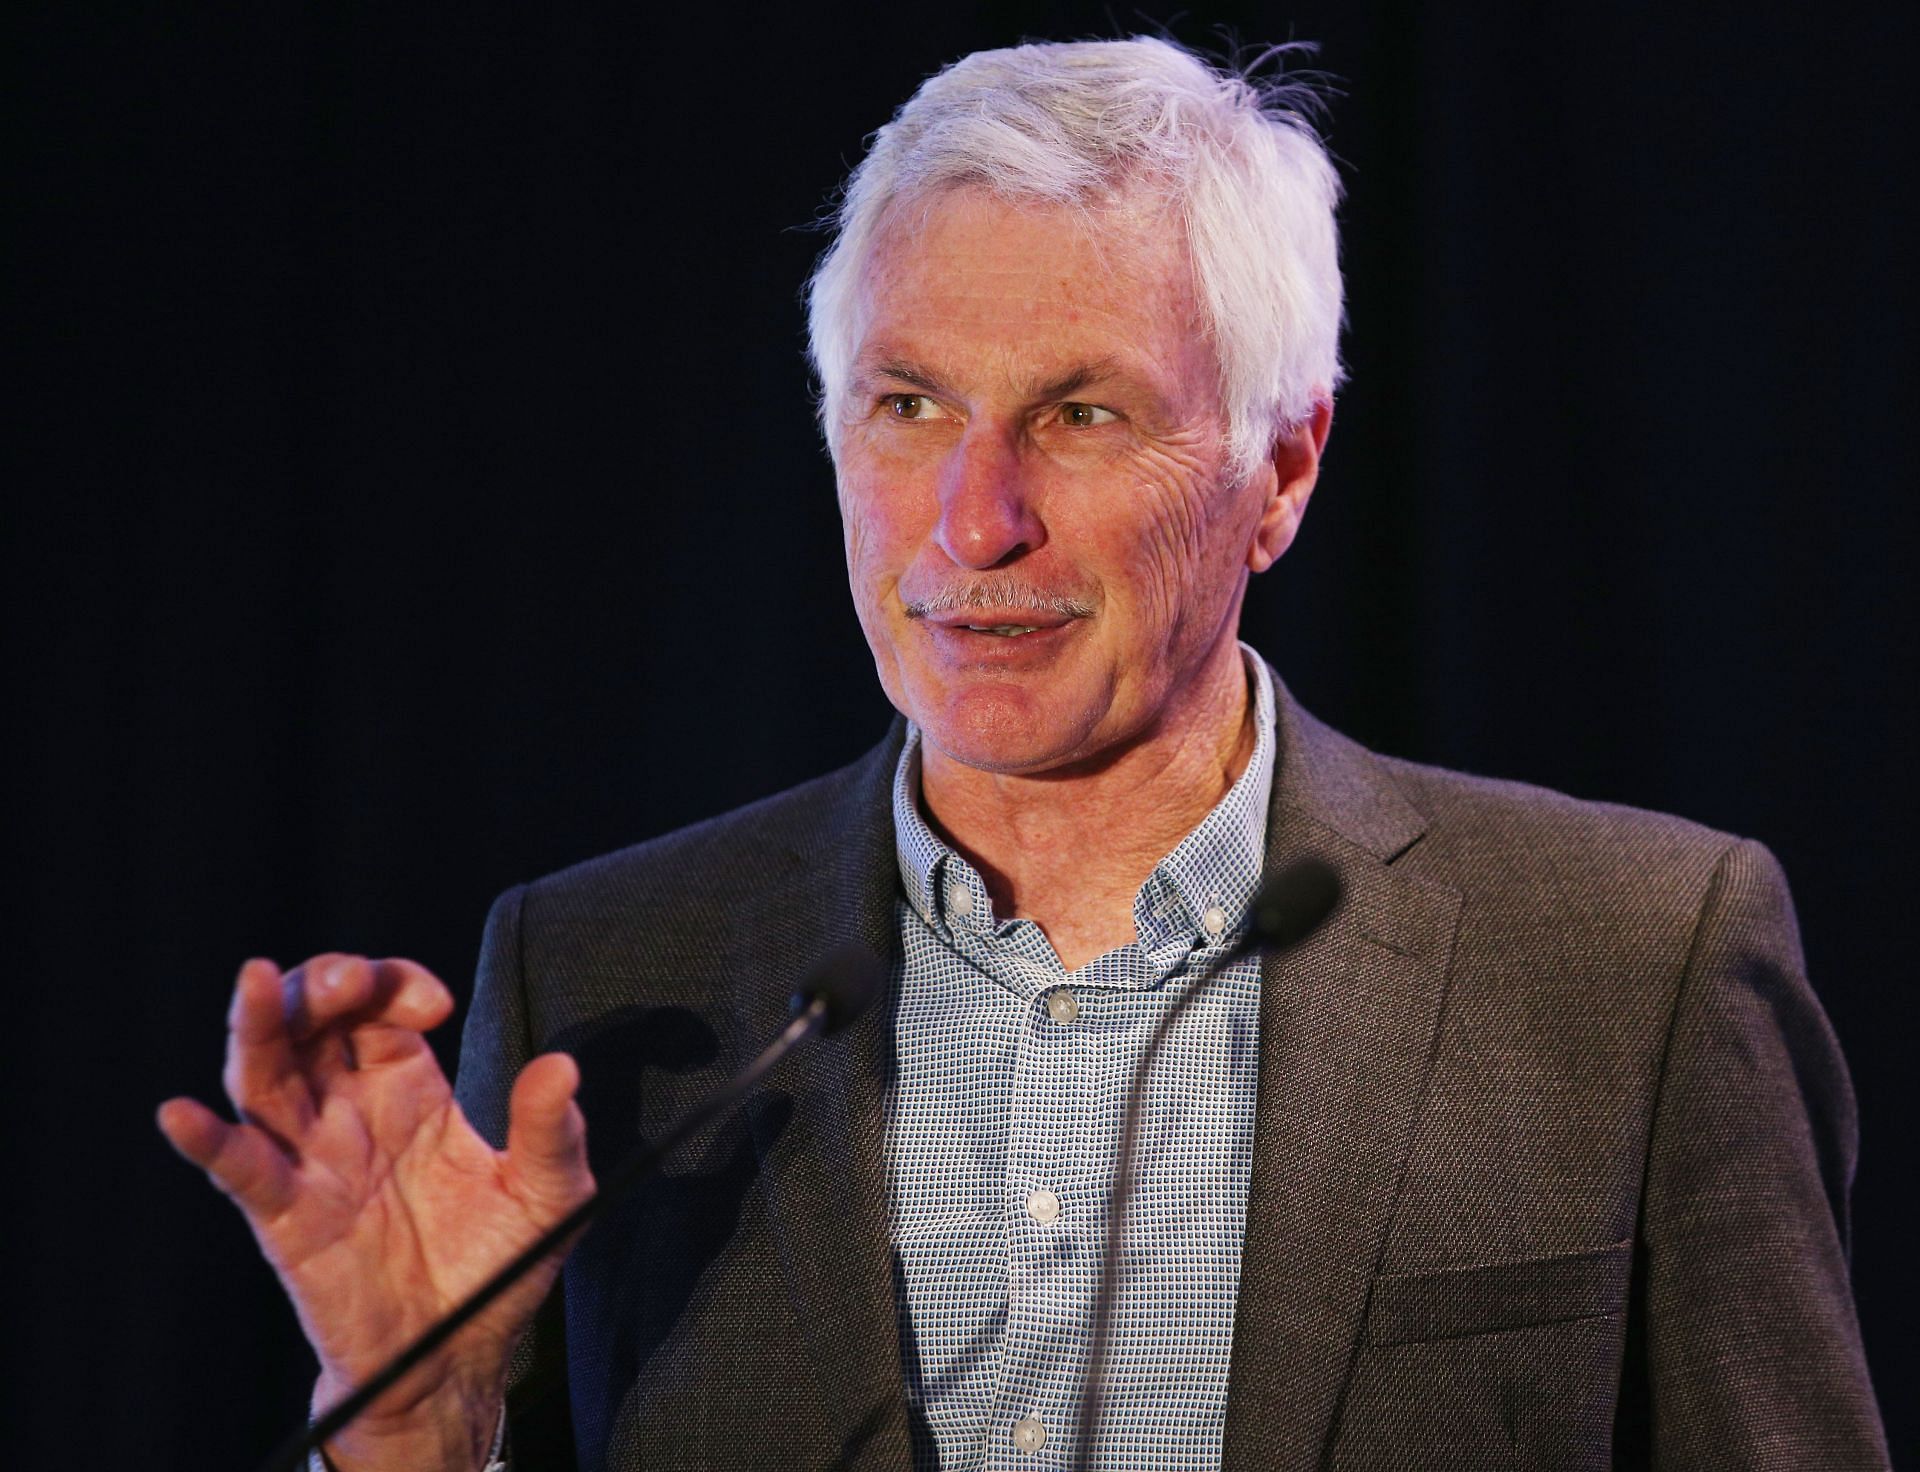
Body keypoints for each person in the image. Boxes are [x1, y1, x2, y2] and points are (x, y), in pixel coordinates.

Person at [157, 36, 1889, 1472]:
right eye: (909, 407)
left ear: (1281, 471)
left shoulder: (1629, 964)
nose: (972, 526)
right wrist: (418, 1428)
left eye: (1085, 413)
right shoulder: (609, 985)